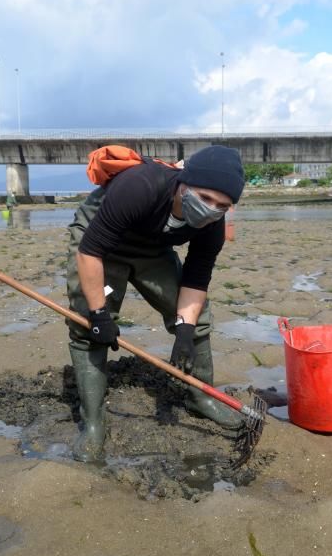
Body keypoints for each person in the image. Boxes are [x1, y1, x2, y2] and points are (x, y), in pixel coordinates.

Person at [66, 145, 245, 462]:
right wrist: (98, 314)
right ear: (184, 183)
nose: (211, 209)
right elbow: (90, 251)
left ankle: (201, 398)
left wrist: (185, 330)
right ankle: (93, 423)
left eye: (222, 206)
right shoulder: (140, 186)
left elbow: (196, 278)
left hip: (152, 248)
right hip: (101, 243)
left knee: (197, 319)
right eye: (205, 198)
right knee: (87, 327)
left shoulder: (212, 224)